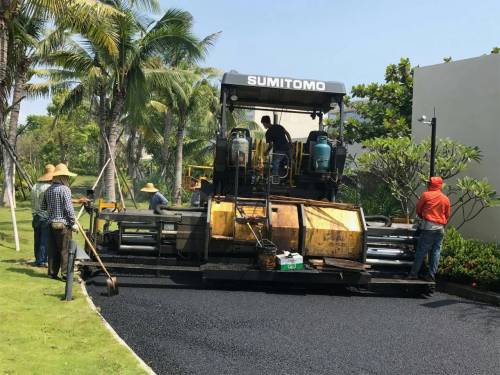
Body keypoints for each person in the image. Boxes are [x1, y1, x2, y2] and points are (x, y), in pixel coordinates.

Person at [408, 176, 451, 281]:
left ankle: (413, 274)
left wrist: (423, 216)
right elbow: (447, 214)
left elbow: (418, 209)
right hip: (440, 228)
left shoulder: (426, 195)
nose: (427, 184)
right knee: (436, 252)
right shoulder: (445, 198)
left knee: (421, 251)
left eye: (429, 183)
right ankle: (431, 275)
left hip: (428, 227)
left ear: (432, 184)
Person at [41, 163, 78, 280]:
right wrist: (73, 222)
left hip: (51, 224)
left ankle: (52, 273)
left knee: (53, 250)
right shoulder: (65, 189)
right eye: (66, 177)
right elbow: (68, 208)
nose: (67, 179)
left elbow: (43, 207)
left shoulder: (48, 190)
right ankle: (66, 275)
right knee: (65, 250)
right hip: (63, 225)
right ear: (62, 177)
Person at [31, 164, 55, 267]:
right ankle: (41, 261)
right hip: (45, 216)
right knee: (44, 240)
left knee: (37, 239)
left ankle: (38, 259)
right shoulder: (49, 188)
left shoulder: (35, 186)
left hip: (35, 215)